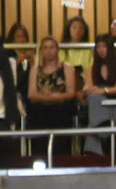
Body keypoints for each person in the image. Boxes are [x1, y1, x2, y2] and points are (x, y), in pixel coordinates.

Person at [25, 35, 82, 163]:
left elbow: (71, 92)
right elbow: (32, 94)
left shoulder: (67, 68)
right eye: (45, 48)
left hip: (61, 105)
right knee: (35, 109)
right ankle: (39, 156)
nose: (49, 51)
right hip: (40, 106)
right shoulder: (35, 70)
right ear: (41, 50)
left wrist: (54, 96)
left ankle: (61, 157)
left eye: (52, 47)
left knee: (62, 108)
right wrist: (48, 97)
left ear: (57, 49)